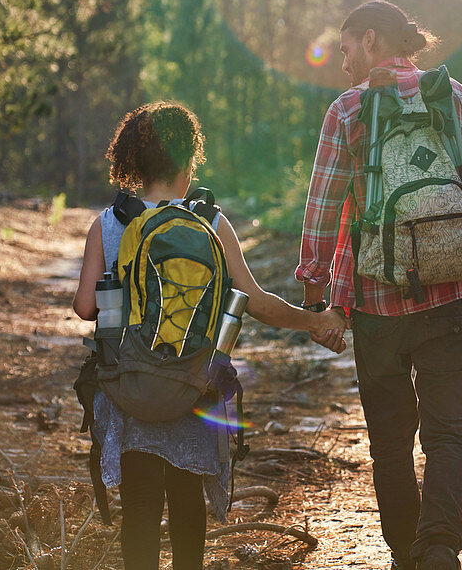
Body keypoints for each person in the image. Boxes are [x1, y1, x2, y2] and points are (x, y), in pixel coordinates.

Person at [298, 0, 462, 570]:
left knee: (390, 440)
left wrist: (316, 290)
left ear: (371, 39)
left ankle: (405, 552)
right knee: (448, 432)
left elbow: (324, 208)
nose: (344, 61)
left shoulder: (347, 111)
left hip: (377, 301)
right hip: (454, 292)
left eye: (348, 46)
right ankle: (440, 548)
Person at [74, 101, 347, 570]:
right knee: (187, 500)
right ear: (188, 161)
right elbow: (256, 303)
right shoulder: (211, 222)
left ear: (134, 164)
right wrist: (315, 320)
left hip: (129, 387)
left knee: (139, 505)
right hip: (195, 386)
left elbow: (83, 307)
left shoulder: (109, 223)